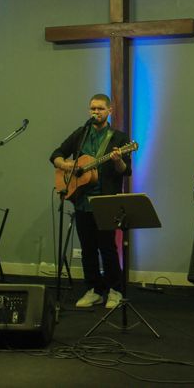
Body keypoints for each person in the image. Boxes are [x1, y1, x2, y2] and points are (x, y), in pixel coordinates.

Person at [50, 93, 130, 309]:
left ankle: (115, 290)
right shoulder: (81, 133)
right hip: (82, 200)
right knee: (87, 248)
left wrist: (118, 160)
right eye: (93, 108)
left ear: (109, 111)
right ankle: (94, 289)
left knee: (107, 247)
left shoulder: (119, 139)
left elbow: (125, 170)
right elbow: (56, 154)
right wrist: (66, 165)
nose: (96, 112)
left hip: (105, 201)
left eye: (100, 109)